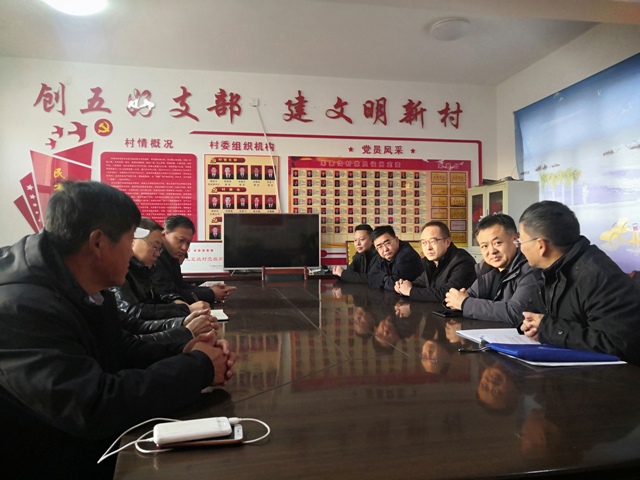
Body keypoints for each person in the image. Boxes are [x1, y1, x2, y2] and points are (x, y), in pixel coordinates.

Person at [0, 181, 235, 479]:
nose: (133, 251)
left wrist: (185, 348)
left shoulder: (81, 281)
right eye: (129, 239)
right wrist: (199, 368)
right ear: (98, 243)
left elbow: (119, 347)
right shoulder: (19, 307)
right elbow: (93, 406)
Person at [518, 201, 640, 364]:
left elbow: (619, 345)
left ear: (541, 245)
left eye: (521, 242)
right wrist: (530, 325)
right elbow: (533, 311)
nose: (520, 248)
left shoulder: (597, 276)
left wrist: (548, 329)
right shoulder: (548, 270)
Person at [444, 214, 540, 325]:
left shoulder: (531, 269)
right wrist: (454, 301)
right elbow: (468, 296)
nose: (492, 251)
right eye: (484, 246)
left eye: (497, 243)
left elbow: (516, 313)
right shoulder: (487, 269)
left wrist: (465, 303)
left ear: (515, 240)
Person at [152, 215, 236, 305]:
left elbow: (181, 286)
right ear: (164, 234)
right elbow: (169, 294)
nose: (184, 247)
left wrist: (210, 290)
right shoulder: (155, 257)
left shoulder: (172, 256)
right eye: (180, 240)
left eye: (188, 243)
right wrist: (211, 294)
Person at [395, 221, 475, 302]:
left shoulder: (463, 261)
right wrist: (401, 286)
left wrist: (410, 291)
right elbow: (420, 283)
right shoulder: (433, 262)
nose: (428, 247)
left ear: (447, 242)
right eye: (424, 242)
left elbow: (449, 294)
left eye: (433, 241)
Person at [367, 225, 423, 291]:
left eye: (387, 243)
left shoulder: (407, 256)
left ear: (396, 240)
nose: (385, 249)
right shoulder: (382, 256)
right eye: (379, 246)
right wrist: (386, 278)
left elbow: (393, 284)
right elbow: (370, 278)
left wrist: (381, 278)